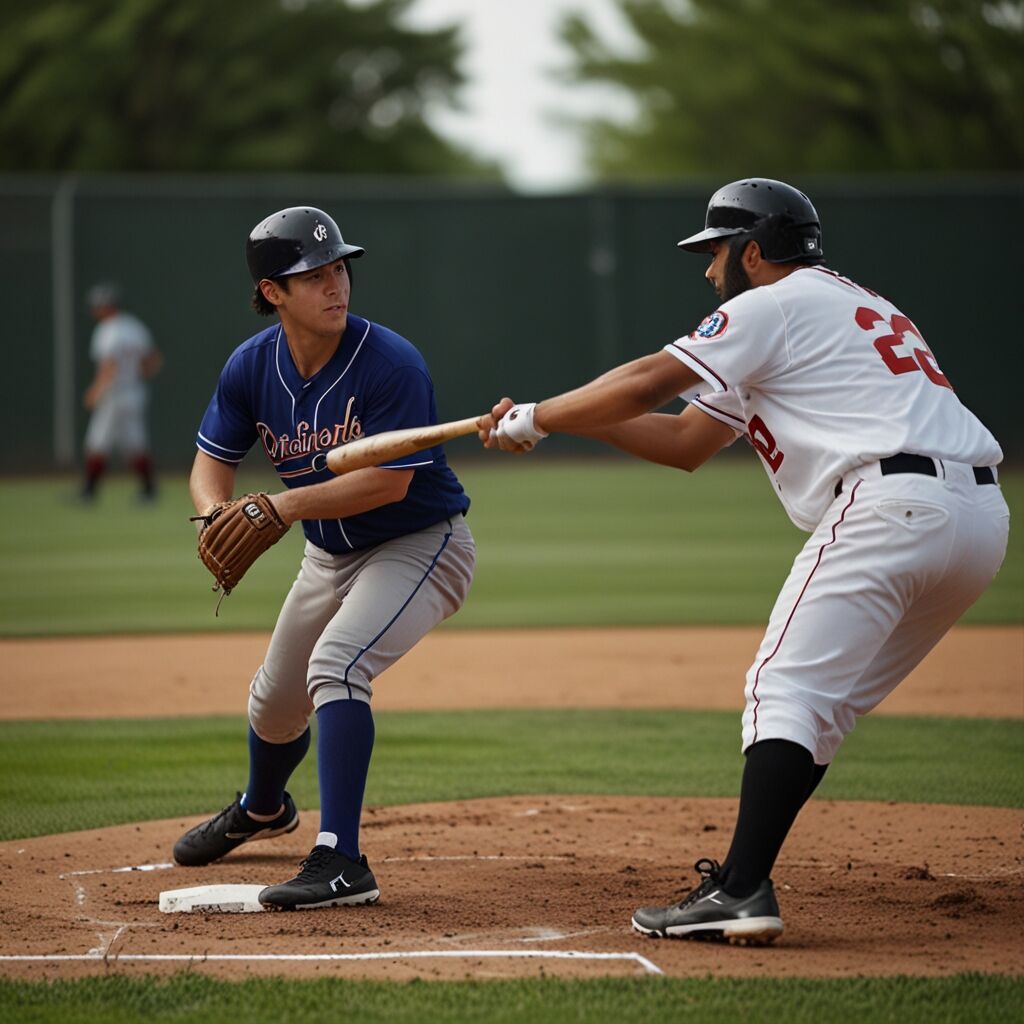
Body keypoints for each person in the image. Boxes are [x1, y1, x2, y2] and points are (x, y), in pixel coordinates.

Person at [479, 178, 1008, 945]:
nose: (708, 270)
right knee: (818, 707)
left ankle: (740, 890)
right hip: (976, 523)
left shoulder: (771, 305)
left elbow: (646, 381)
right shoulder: (850, 307)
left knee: (783, 688)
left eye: (716, 252)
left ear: (753, 252)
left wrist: (537, 417)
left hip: (890, 504)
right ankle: (739, 880)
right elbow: (687, 441)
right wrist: (563, 426)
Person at [173, 207, 475, 910]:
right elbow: (209, 463)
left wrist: (282, 504)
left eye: (340, 267)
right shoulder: (251, 366)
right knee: (275, 705)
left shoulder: (390, 361)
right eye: (315, 274)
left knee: (337, 664)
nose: (336, 284)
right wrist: (215, 510)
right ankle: (263, 808)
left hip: (420, 542)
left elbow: (390, 481)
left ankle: (341, 859)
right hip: (329, 555)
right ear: (273, 292)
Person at [81, 282, 162, 500]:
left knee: (98, 440)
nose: (95, 310)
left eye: (97, 305)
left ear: (106, 306)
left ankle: (88, 491)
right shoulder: (134, 326)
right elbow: (153, 360)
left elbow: (109, 366)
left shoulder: (107, 330)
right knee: (135, 442)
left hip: (114, 393)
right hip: (134, 391)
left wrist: (95, 391)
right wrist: (136, 374)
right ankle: (149, 489)